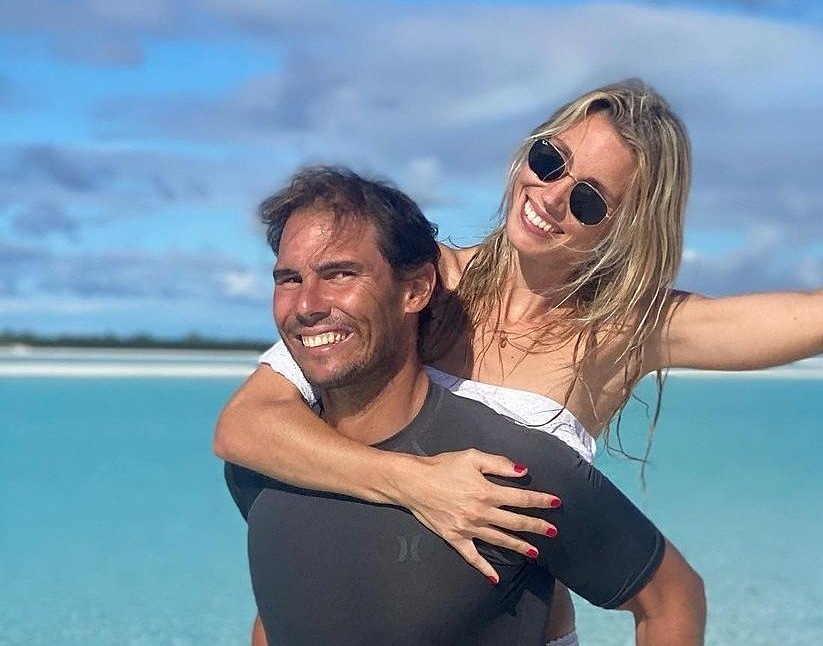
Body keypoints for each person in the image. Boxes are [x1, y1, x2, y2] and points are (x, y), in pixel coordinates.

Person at [213, 1, 823, 643]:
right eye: (550, 160)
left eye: (590, 199)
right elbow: (248, 426)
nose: (552, 196)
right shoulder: (426, 283)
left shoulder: (625, 333)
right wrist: (420, 485)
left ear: (624, 228)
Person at [225, 167, 705, 645]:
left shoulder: (506, 468)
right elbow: (287, 600)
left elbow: (671, 599)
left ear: (415, 289)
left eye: (340, 274)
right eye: (289, 279)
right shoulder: (262, 465)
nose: (306, 305)